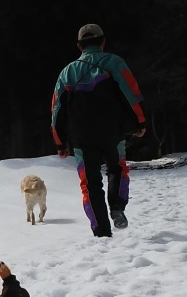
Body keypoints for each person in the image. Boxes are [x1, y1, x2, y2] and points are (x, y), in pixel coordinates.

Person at [50, 23, 147, 237]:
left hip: (81, 137)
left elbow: (56, 110)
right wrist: (139, 122)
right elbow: (132, 94)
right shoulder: (114, 63)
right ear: (103, 42)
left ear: (79, 46)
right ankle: (117, 206)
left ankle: (101, 230)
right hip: (113, 132)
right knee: (117, 168)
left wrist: (60, 142)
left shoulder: (67, 73)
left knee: (90, 183)